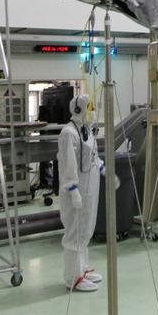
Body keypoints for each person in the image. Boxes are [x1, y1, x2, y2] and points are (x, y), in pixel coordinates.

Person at [59, 94, 102, 292]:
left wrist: (104, 170)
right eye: (89, 108)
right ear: (79, 109)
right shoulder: (68, 133)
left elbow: (93, 156)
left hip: (90, 187)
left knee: (86, 229)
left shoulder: (86, 131)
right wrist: (72, 189)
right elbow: (68, 164)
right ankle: (72, 277)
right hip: (77, 190)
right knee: (75, 232)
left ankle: (82, 269)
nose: (91, 112)